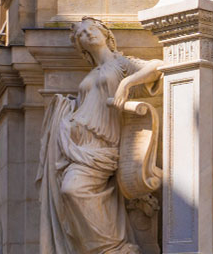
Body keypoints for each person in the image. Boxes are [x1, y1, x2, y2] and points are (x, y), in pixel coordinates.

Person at [39, 18, 161, 254]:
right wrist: (66, 110)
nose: (89, 34)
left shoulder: (121, 64)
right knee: (69, 191)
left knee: (73, 190)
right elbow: (88, 104)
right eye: (83, 33)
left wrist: (126, 83)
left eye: (93, 29)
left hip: (102, 146)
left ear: (106, 34)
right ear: (80, 45)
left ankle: (113, 247)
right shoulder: (92, 73)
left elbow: (157, 66)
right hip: (76, 144)